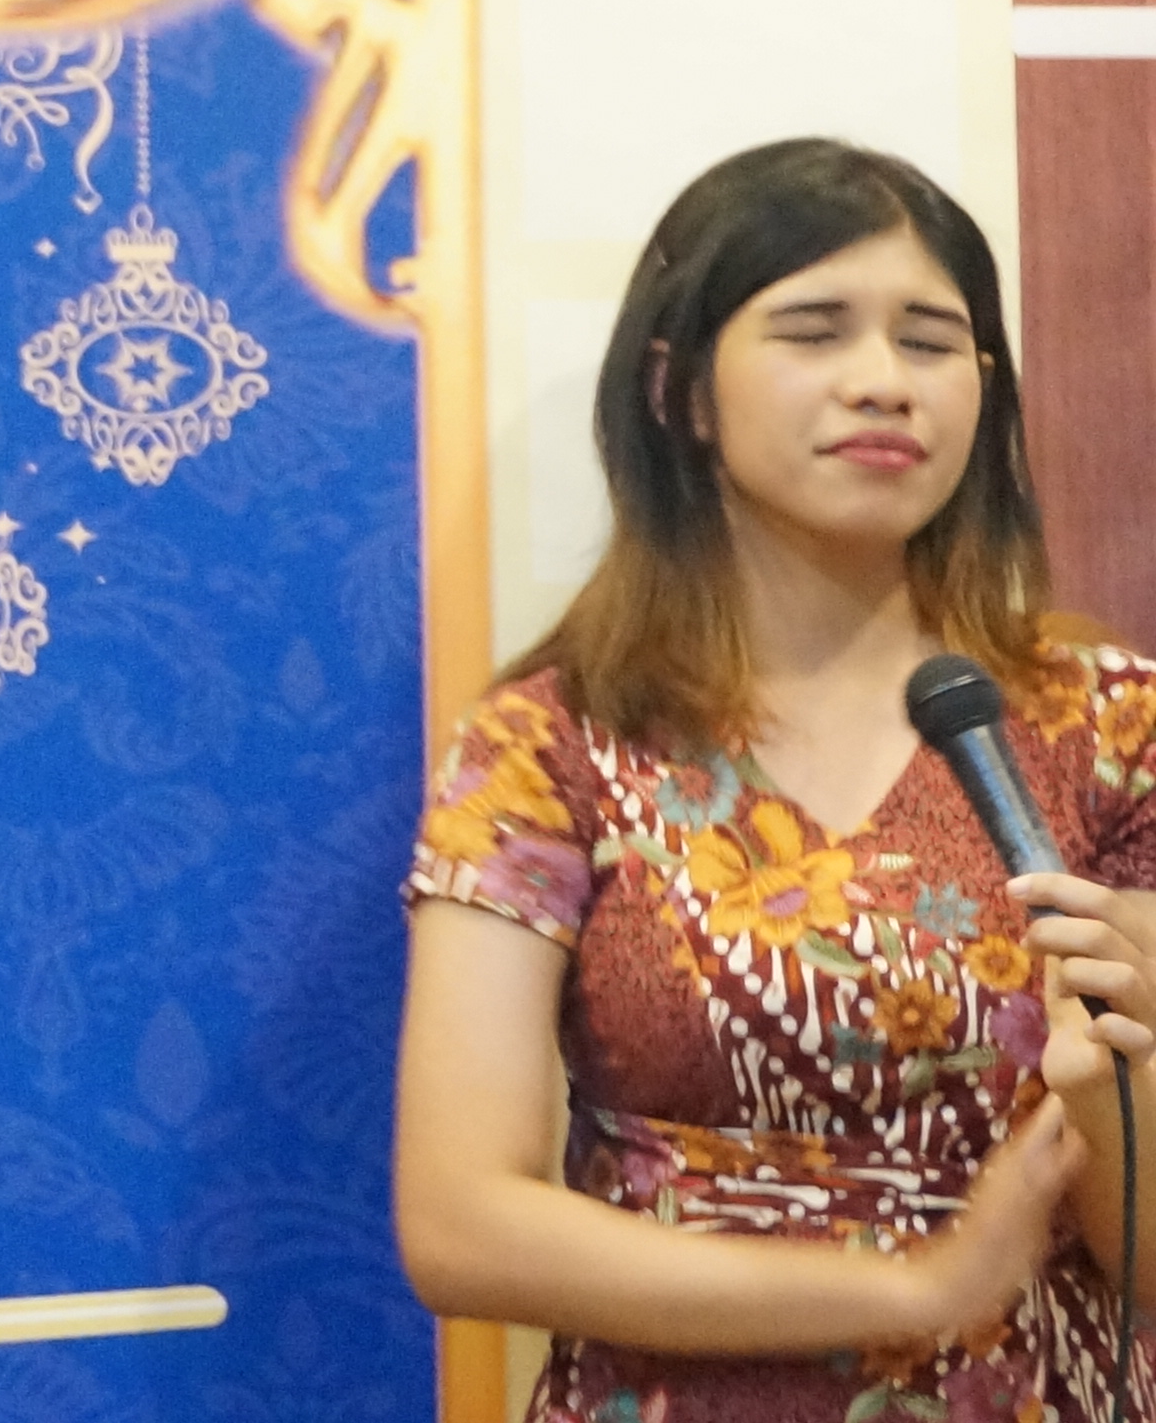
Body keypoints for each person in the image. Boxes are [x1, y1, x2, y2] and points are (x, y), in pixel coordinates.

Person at [393, 138, 1156, 1418]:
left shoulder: (1112, 727)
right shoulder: (550, 743)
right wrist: (911, 1288)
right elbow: (459, 1225)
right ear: (680, 390)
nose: (882, 381)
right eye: (814, 331)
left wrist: (1120, 1093)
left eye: (930, 341)